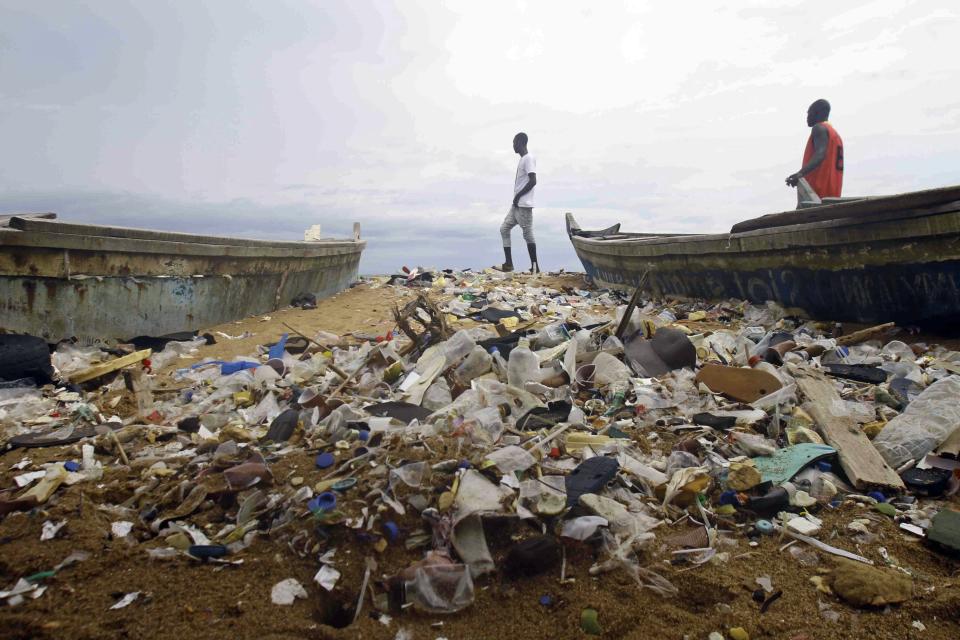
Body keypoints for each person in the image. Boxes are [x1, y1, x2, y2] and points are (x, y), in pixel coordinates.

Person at [785, 99, 843, 205]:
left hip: (817, 192)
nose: (807, 117)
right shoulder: (834, 135)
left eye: (809, 113)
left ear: (817, 112)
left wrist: (800, 174)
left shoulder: (819, 128)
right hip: (833, 193)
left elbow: (820, 155)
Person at [499, 132, 538, 273]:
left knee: (527, 234)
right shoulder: (523, 159)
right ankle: (509, 263)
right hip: (516, 204)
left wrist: (518, 196)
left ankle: (535, 267)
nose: (513, 146)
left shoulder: (528, 158)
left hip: (524, 204)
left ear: (521, 142)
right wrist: (516, 199)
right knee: (504, 229)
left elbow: (533, 181)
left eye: (514, 143)